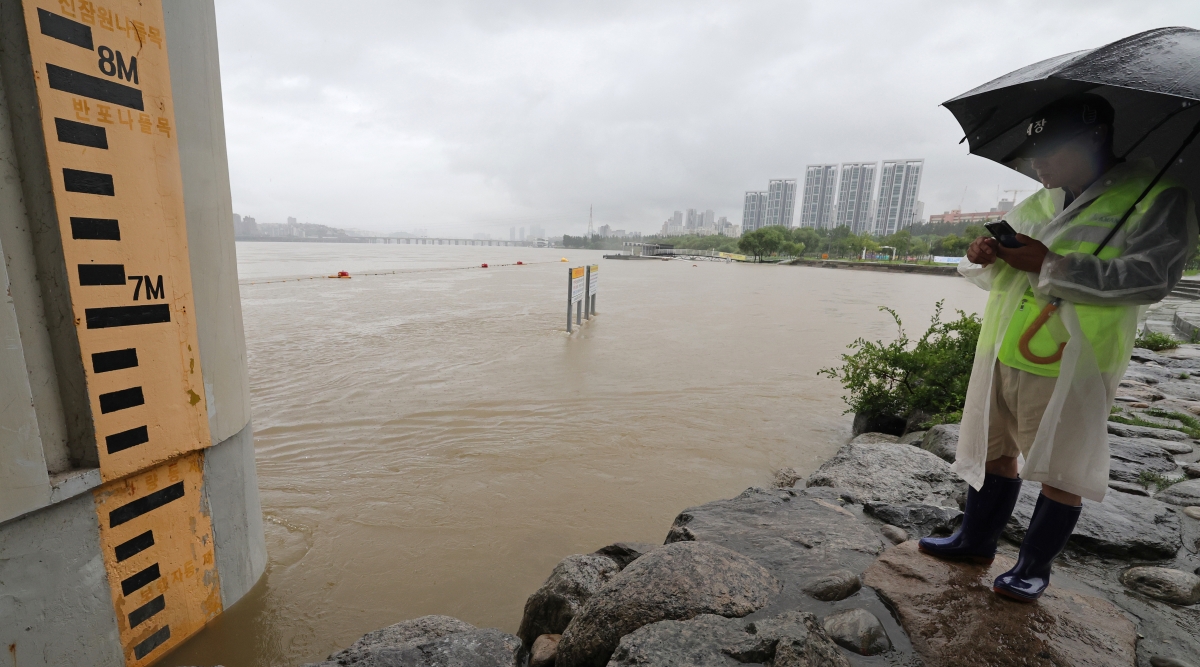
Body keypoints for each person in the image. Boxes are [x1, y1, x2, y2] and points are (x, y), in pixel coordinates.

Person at [918, 94, 1198, 602]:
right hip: (1007, 345)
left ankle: (1032, 567)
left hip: (1075, 356)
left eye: (1047, 151)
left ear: (1091, 140)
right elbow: (1012, 262)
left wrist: (1053, 265)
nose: (1036, 164)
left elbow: (1153, 279)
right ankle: (976, 540)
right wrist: (985, 254)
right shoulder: (1044, 199)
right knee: (994, 447)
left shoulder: (1158, 196)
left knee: (1061, 463)